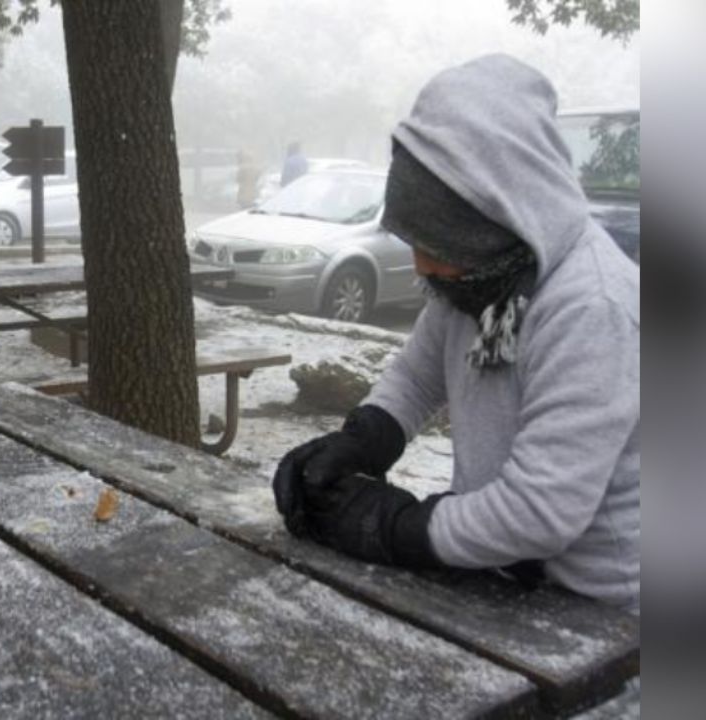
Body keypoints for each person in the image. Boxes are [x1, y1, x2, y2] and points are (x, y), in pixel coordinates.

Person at [272, 54, 640, 613]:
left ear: (500, 219)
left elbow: (539, 513)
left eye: (441, 246)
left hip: (606, 613)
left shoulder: (593, 307)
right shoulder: (482, 279)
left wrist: (395, 528)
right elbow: (418, 376)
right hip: (507, 575)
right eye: (415, 241)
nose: (423, 265)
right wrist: (364, 437)